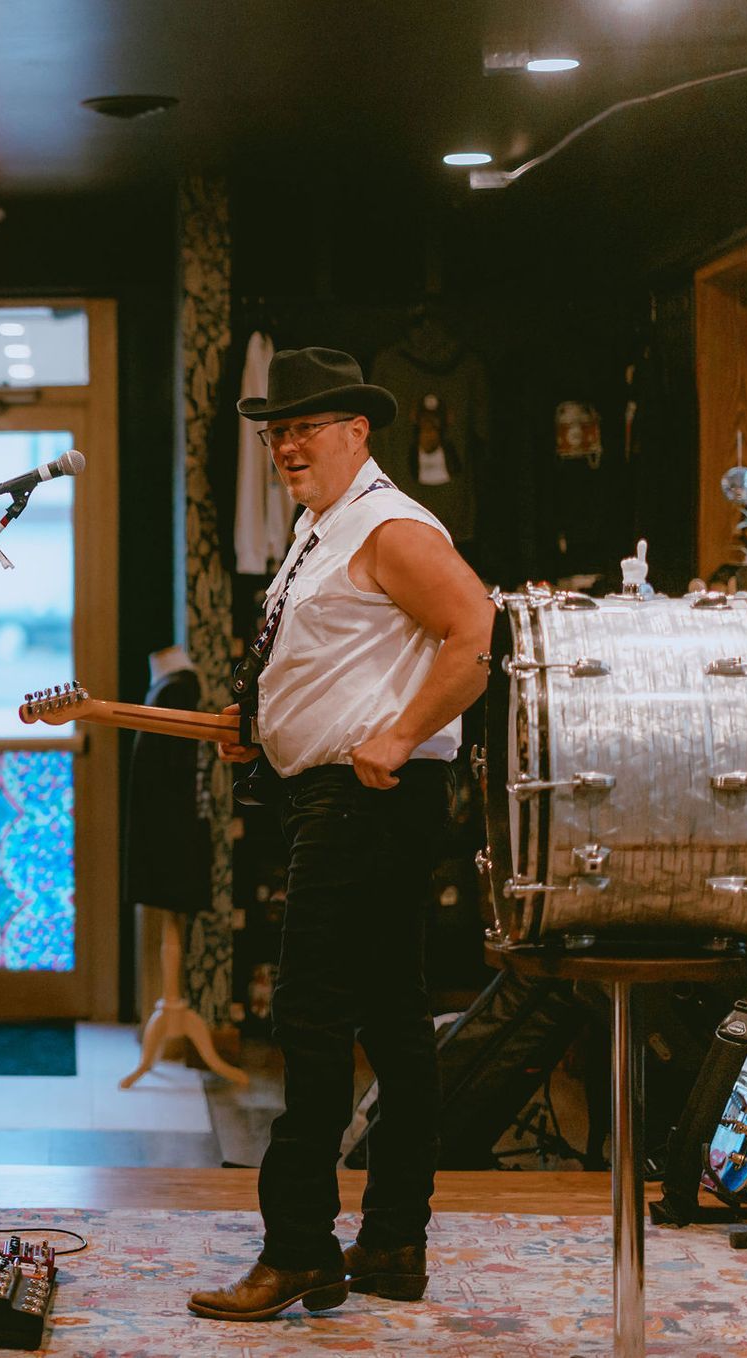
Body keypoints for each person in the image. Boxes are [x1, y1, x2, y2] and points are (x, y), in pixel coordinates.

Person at [186, 348, 492, 1322]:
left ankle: (299, 1250)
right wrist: (260, 726)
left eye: (304, 427)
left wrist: (399, 734)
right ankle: (393, 1241)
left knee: (309, 1017)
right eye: (275, 431)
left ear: (357, 431)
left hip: (367, 798)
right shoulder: (321, 529)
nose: (285, 445)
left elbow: (477, 632)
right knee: (393, 1019)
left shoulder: (391, 525)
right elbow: (336, 663)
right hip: (336, 796)